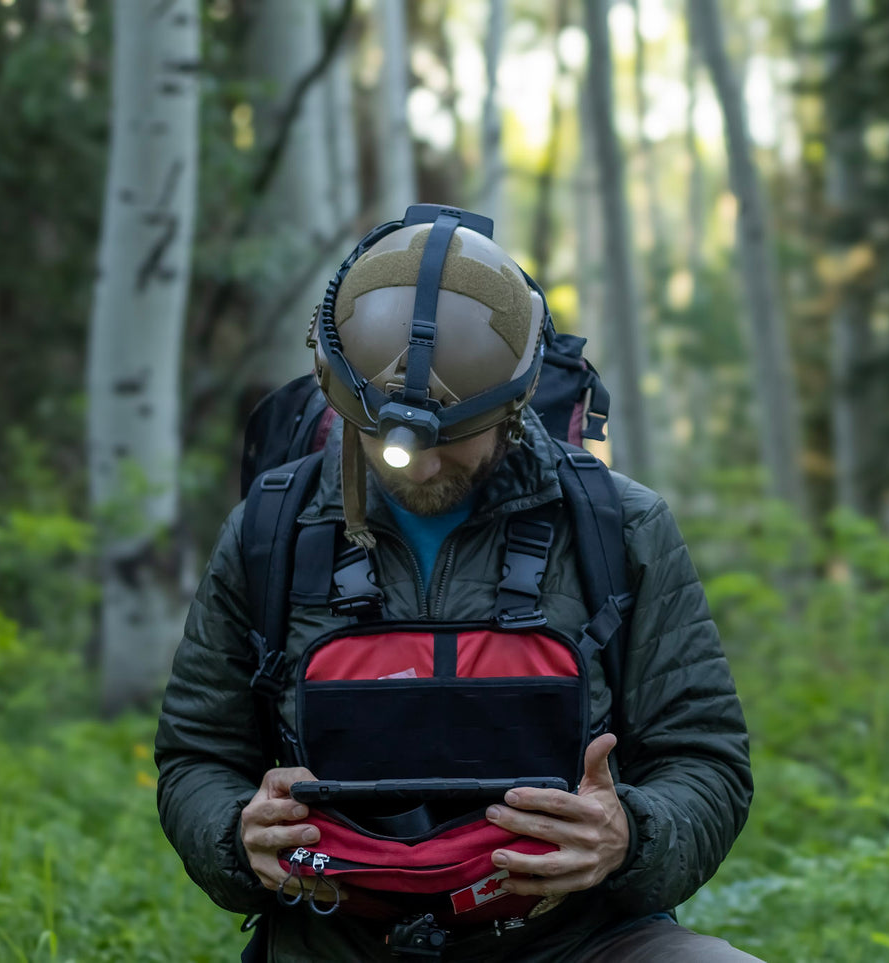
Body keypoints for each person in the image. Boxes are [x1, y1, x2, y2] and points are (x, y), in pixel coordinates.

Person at [154, 208, 758, 961]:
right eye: (383, 437)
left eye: (452, 437)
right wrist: (235, 834)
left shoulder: (617, 525)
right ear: (338, 394)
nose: (422, 465)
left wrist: (628, 835)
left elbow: (705, 759)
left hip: (571, 939)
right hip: (337, 940)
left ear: (513, 401)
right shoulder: (271, 529)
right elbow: (196, 754)